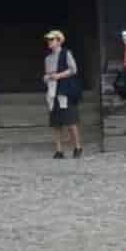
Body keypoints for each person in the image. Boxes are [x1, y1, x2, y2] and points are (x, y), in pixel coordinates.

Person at [42, 27, 81, 159]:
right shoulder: (47, 59)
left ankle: (77, 147)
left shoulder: (66, 53)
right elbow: (48, 74)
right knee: (56, 122)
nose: (49, 41)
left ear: (59, 41)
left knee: (71, 121)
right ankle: (59, 150)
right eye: (48, 39)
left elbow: (73, 69)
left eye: (52, 39)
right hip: (53, 92)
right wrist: (47, 78)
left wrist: (58, 76)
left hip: (65, 91)